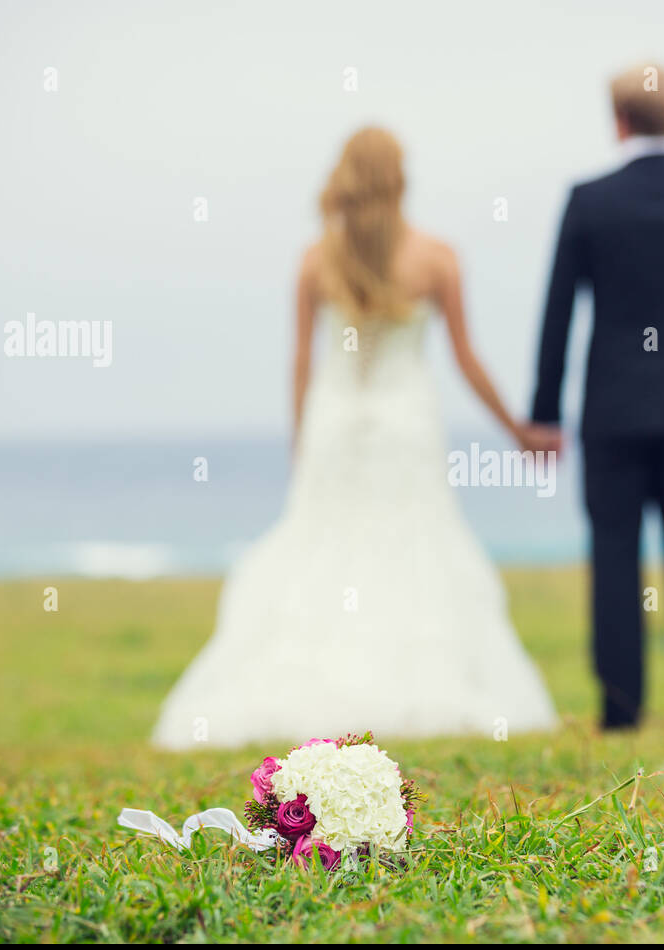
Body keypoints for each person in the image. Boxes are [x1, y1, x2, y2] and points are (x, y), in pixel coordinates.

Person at [152, 127, 557, 749]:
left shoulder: (316, 260)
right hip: (406, 424)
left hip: (334, 424)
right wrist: (517, 431)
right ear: (400, 178)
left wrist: (300, 444)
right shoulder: (437, 258)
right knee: (414, 546)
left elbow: (301, 363)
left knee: (323, 545)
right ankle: (417, 682)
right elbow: (466, 359)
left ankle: (315, 685)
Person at [527, 64, 664, 729]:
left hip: (613, 410)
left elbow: (558, 313)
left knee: (614, 555)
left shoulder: (589, 200)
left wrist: (544, 412)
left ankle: (621, 707)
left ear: (617, 119)